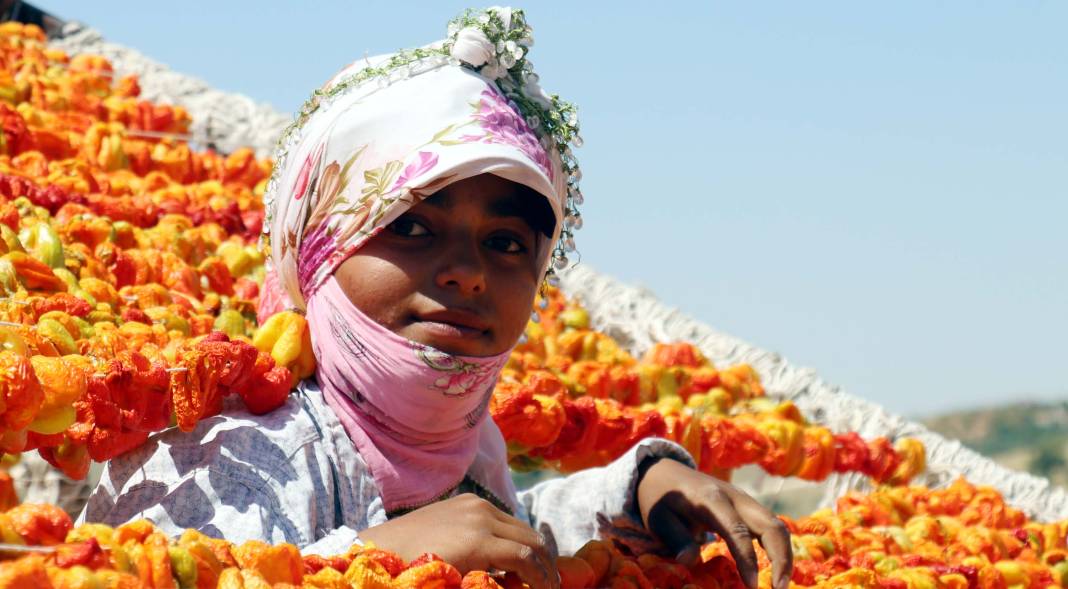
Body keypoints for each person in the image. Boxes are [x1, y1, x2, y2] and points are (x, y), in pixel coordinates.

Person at [81, 8, 792, 589]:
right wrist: (365, 559)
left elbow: (502, 535)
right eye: (412, 226)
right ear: (320, 249)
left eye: (508, 242)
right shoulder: (225, 460)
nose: (468, 273)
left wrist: (641, 486)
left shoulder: (473, 450)